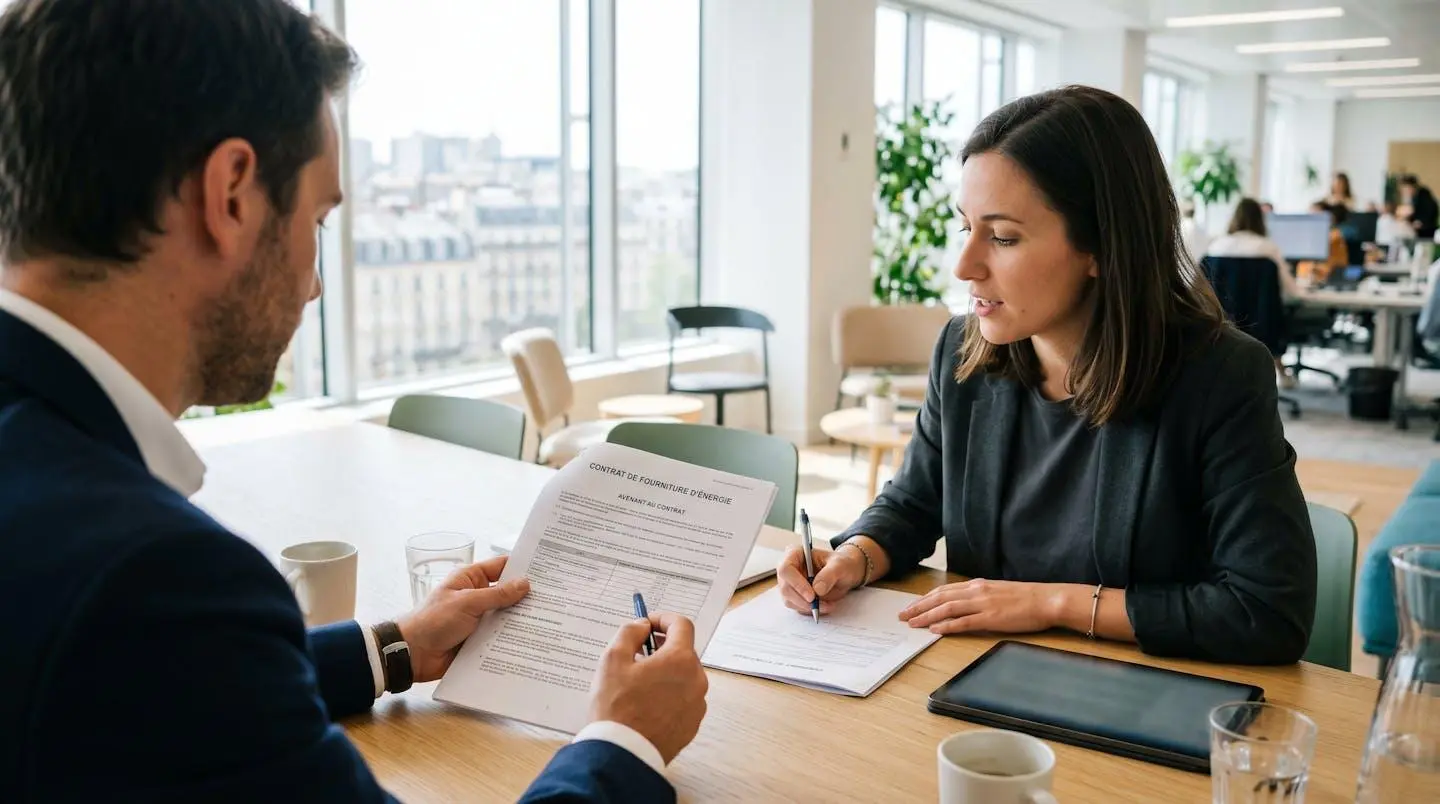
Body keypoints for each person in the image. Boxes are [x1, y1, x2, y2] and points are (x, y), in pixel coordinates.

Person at [0, 2, 706, 802]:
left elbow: (157, 693)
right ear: (231, 193)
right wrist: (624, 741)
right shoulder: (158, 579)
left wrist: (394, 647)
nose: (314, 282)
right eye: (319, 218)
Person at [777, 85, 1317, 666]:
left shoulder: (1220, 375)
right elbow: (913, 503)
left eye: (1003, 237)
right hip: (971, 676)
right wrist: (854, 555)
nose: (964, 266)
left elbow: (1267, 611)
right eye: (967, 229)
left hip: (1132, 691)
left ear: (1102, 247)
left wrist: (1056, 603)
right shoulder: (964, 351)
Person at [1204, 198, 1300, 388]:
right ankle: (1281, 374)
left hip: (1219, 326)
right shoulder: (1267, 248)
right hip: (1261, 326)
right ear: (1260, 220)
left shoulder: (1215, 247)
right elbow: (1292, 292)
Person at [1400, 174, 1438, 241]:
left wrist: (1420, 221)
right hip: (1420, 230)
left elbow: (1429, 212)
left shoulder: (1424, 196)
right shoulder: (1413, 198)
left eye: (1407, 189)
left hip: (1426, 231)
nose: (1405, 192)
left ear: (1413, 187)